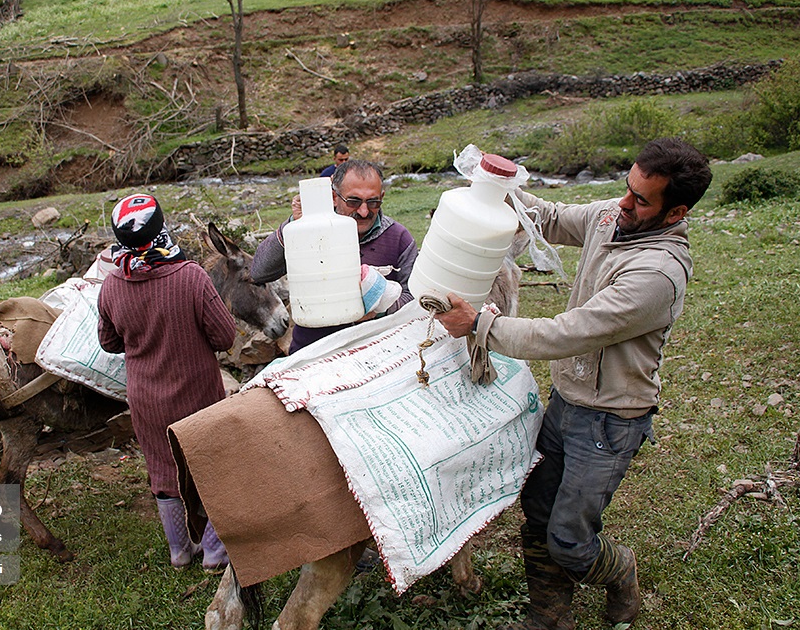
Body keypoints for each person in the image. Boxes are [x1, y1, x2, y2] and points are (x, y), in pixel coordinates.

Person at [434, 138, 712, 629]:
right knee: (538, 516)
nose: (623, 203)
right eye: (627, 188)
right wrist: (503, 188)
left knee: (570, 539)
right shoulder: (615, 216)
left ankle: (620, 568)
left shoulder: (657, 274)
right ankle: (549, 618)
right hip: (567, 403)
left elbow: (570, 332)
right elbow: (556, 218)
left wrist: (481, 326)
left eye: (641, 200)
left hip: (610, 421)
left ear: (676, 213)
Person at [97, 193, 237, 572]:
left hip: (146, 400)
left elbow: (108, 342)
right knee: (210, 466)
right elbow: (225, 338)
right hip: (198, 396)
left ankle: (179, 551)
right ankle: (213, 551)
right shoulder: (191, 277)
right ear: (162, 228)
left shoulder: (111, 286)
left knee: (162, 467)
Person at [252, 159, 418, 353]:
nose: (364, 211)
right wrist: (292, 225)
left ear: (382, 196)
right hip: (312, 352)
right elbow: (259, 272)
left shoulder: (398, 238)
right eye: (353, 201)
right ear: (334, 196)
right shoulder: (306, 230)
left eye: (373, 202)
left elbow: (414, 298)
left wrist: (378, 310)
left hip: (374, 355)